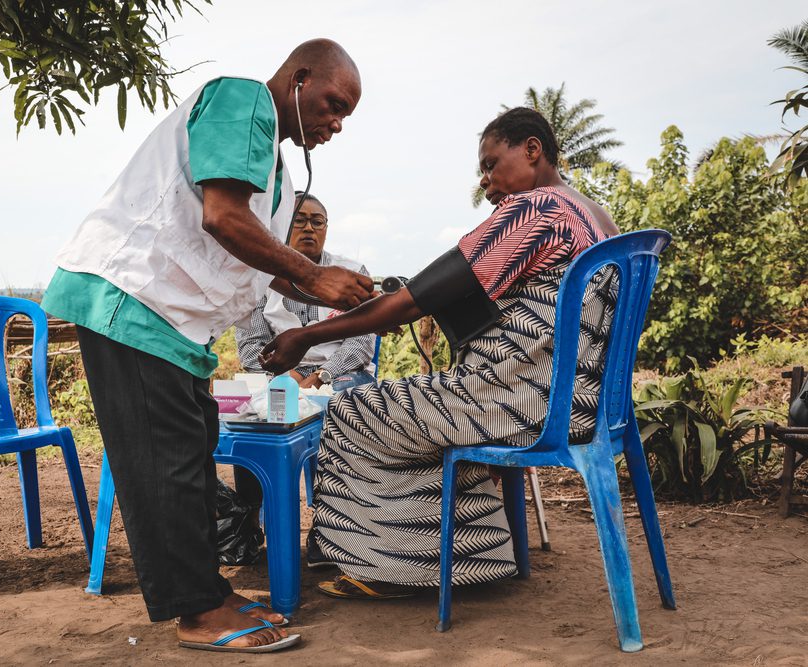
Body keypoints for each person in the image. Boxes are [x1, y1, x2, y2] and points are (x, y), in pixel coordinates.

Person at [41, 39, 371, 652]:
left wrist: (330, 292)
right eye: (332, 103)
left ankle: (208, 593)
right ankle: (196, 613)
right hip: (131, 296)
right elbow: (221, 216)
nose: (335, 122)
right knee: (167, 459)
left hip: (172, 321)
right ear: (298, 78)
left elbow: (252, 250)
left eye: (345, 114)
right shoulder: (242, 100)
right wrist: (310, 274)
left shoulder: (276, 171)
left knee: (191, 449)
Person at [260, 107, 621, 599]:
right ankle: (468, 554)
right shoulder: (594, 215)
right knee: (414, 413)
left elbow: (413, 301)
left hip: (519, 400)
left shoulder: (537, 210)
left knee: (350, 411)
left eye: (492, 165)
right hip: (583, 401)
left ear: (532, 149)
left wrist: (306, 337)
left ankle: (390, 566)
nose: (489, 185)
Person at [236, 192, 377, 392]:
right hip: (281, 375)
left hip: (340, 374)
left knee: (341, 399)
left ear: (326, 229)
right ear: (282, 224)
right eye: (299, 220)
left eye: (317, 222)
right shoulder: (259, 274)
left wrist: (322, 375)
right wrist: (283, 378)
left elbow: (361, 340)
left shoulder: (352, 273)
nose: (309, 228)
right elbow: (251, 344)